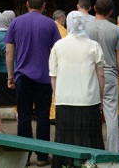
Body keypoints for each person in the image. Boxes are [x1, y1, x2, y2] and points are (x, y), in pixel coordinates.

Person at [5, 0, 61, 167]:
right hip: (44, 77)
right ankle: (42, 157)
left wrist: (10, 75)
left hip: (22, 76)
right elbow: (57, 50)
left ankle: (24, 156)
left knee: (24, 115)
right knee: (43, 116)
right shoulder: (51, 24)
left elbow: (9, 51)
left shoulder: (16, 22)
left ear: (27, 5)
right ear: (44, 6)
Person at [49, 13, 105, 168]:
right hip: (89, 99)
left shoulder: (58, 46)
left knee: (64, 138)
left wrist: (57, 95)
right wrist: (100, 97)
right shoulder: (94, 45)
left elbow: (53, 75)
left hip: (64, 98)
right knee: (90, 137)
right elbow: (101, 74)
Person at [86, 0, 119, 152]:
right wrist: (117, 73)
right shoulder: (116, 29)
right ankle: (113, 150)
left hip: (89, 73)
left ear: (94, 8)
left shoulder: (86, 28)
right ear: (110, 12)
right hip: (110, 72)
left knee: (89, 111)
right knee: (111, 114)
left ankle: (91, 147)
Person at [50, 10, 67, 122]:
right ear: (61, 18)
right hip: (60, 63)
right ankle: (56, 114)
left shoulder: (48, 26)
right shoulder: (64, 31)